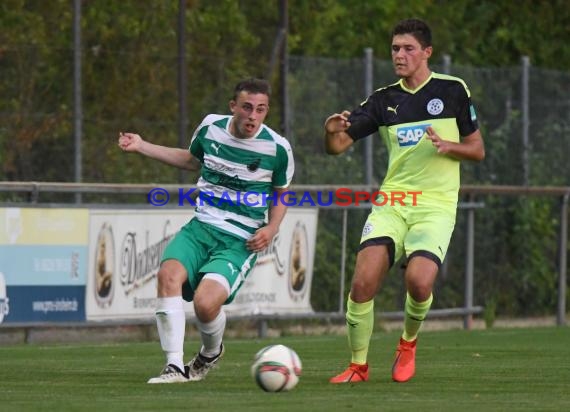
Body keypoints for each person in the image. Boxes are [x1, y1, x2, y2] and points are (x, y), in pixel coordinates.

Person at [324, 18, 484, 384]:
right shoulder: (384, 100)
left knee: (419, 281)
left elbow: (477, 150)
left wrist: (449, 146)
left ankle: (407, 343)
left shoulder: (453, 90)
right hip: (393, 201)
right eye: (395, 48)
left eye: (408, 48)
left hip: (435, 204)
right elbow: (337, 147)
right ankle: (358, 366)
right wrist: (329, 131)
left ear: (427, 52)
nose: (400, 54)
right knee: (363, 282)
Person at [118, 78, 294, 384]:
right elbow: (190, 160)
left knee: (204, 303)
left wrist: (272, 227)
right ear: (233, 107)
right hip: (201, 227)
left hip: (240, 240)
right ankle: (174, 366)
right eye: (247, 107)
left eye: (261, 109)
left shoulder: (277, 148)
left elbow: (281, 193)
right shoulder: (211, 127)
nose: (253, 116)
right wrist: (142, 145)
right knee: (167, 276)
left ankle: (210, 353)